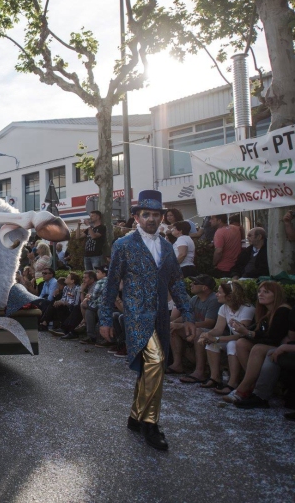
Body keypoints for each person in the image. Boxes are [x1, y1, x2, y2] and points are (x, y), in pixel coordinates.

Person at [100, 189, 192, 451]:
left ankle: (134, 415)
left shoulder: (166, 246)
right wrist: (105, 318)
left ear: (162, 217)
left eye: (156, 214)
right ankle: (150, 423)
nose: (152, 219)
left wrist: (188, 314)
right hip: (136, 315)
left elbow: (176, 282)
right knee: (156, 361)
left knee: (149, 368)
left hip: (161, 316)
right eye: (146, 214)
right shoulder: (124, 245)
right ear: (136, 217)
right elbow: (111, 285)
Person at [225, 281, 295, 408]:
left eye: (266, 292)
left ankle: (243, 388)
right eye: (259, 291)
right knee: (241, 343)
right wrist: (243, 328)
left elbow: (273, 337)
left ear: (276, 295)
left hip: (282, 347)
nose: (260, 294)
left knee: (258, 348)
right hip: (273, 345)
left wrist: (248, 332)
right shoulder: (265, 311)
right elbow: (258, 331)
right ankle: (252, 383)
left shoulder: (283, 310)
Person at [196, 280, 255, 395]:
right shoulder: (224, 307)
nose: (216, 294)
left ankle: (233, 383)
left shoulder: (247, 309)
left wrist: (217, 339)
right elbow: (218, 329)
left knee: (232, 345)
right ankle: (215, 377)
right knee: (211, 342)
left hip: (245, 341)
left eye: (219, 292)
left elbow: (241, 334)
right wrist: (208, 335)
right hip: (233, 338)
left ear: (229, 296)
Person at [173, 275, 220, 379]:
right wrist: (173, 323)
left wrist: (183, 325)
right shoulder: (195, 299)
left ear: (204, 287)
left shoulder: (213, 300)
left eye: (195, 283)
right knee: (174, 330)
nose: (191, 284)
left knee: (198, 332)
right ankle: (177, 364)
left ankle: (200, 371)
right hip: (195, 328)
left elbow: (209, 323)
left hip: (210, 331)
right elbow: (186, 315)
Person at [81, 266, 108, 345]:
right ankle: (95, 336)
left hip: (103, 305)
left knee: (87, 307)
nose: (96, 274)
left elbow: (95, 295)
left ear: (103, 274)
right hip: (101, 304)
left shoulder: (101, 281)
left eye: (98, 272)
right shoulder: (111, 280)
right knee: (89, 310)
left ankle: (93, 336)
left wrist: (88, 297)